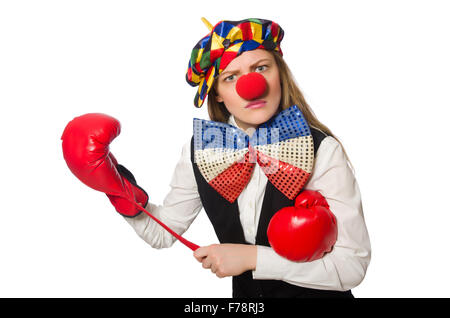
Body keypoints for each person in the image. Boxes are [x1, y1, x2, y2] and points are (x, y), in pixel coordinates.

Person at [61, 18, 371, 298]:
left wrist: (251, 259)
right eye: (231, 77)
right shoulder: (201, 151)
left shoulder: (322, 150)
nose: (252, 87)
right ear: (218, 93)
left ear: (280, 73)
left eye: (261, 68)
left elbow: (351, 267)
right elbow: (162, 233)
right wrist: (117, 189)